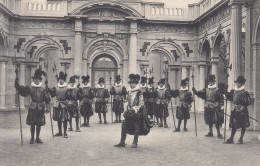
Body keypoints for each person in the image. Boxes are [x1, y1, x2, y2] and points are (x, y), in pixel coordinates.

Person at [114, 74, 152, 148]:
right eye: (131, 83)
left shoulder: (139, 92)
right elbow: (127, 101)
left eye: (133, 83)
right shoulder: (129, 91)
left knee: (136, 126)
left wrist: (134, 109)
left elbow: (141, 103)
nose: (132, 84)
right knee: (124, 125)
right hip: (129, 111)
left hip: (137, 112)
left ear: (136, 83)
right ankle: (122, 142)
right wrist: (126, 108)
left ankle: (135, 142)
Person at [15, 69, 50, 144]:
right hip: (33, 107)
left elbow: (46, 99)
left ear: (40, 80)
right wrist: (18, 86)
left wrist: (48, 107)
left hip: (41, 107)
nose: (36, 81)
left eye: (38, 79)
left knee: (39, 123)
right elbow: (23, 92)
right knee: (32, 123)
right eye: (35, 79)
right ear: (33, 80)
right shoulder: (30, 88)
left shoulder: (43, 89)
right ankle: (32, 138)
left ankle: (37, 138)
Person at [192, 74, 224, 139]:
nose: (211, 83)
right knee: (209, 120)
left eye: (212, 82)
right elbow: (201, 94)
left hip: (215, 106)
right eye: (210, 82)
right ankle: (210, 132)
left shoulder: (217, 90)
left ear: (214, 82)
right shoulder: (206, 89)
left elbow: (220, 98)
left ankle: (218, 133)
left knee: (216, 120)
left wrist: (219, 105)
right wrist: (195, 91)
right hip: (208, 106)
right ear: (209, 82)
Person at [224, 76, 251, 144]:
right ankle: (231, 139)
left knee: (243, 124)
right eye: (237, 83)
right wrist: (225, 91)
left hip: (242, 111)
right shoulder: (234, 92)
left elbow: (248, 102)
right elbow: (230, 98)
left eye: (239, 83)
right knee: (234, 124)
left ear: (242, 84)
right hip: (235, 110)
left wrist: (242, 107)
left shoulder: (245, 93)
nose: (238, 84)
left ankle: (241, 139)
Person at [48, 71, 70, 138]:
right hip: (57, 104)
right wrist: (49, 90)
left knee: (65, 119)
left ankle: (65, 133)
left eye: (62, 80)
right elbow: (53, 95)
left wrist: (69, 95)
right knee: (58, 118)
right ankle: (60, 132)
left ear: (64, 80)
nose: (61, 81)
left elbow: (69, 97)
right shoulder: (56, 87)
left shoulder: (67, 88)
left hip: (64, 104)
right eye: (60, 80)